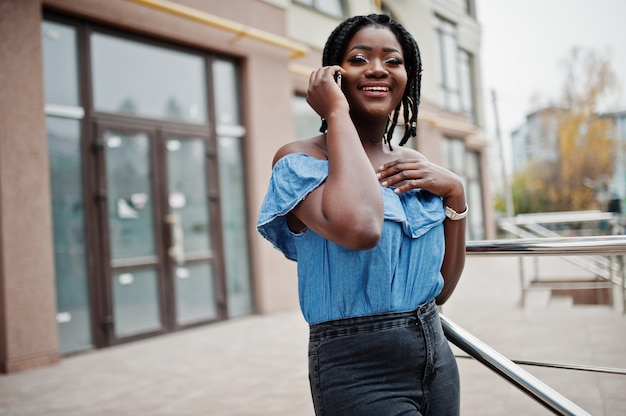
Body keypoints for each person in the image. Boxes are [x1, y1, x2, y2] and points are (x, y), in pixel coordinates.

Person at [257, 13, 466, 416]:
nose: (377, 69)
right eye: (358, 58)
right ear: (333, 73)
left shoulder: (414, 164)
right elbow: (360, 228)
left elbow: (439, 291)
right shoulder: (300, 161)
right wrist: (336, 113)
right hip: (357, 368)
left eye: (393, 60)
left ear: (409, 76)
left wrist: (456, 193)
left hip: (435, 356)